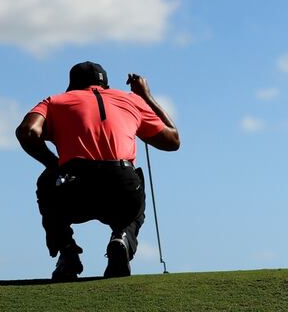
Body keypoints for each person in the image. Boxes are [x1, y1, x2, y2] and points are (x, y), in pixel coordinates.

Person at [15, 61, 180, 280]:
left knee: (47, 182)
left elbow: (27, 132)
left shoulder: (54, 101)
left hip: (74, 187)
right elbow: (173, 140)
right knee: (134, 196)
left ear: (72, 85)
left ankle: (67, 254)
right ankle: (121, 239)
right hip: (122, 185)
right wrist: (145, 95)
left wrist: (55, 165)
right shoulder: (130, 100)